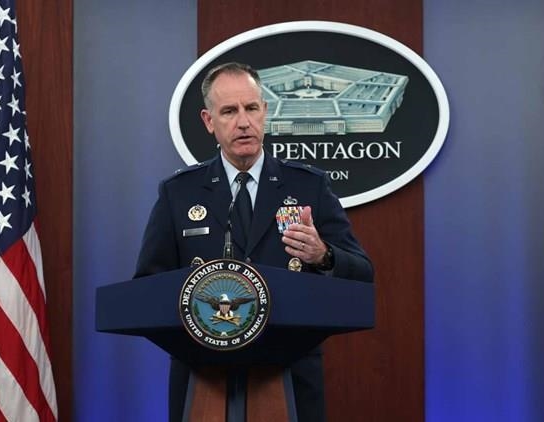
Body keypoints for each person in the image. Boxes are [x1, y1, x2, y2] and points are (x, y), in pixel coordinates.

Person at [134, 62, 373, 422]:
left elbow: (362, 274)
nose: (243, 122)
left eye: (251, 108)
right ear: (209, 121)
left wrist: (323, 255)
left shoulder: (308, 186)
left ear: (265, 111)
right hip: (203, 380)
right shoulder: (179, 193)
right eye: (229, 111)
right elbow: (148, 288)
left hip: (290, 377)